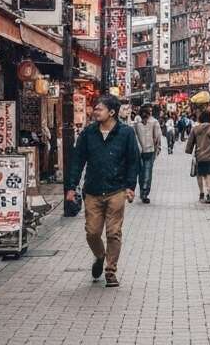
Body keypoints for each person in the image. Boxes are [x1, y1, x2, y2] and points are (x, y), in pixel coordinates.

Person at [64, 94, 140, 287]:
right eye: (95, 109)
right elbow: (77, 160)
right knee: (92, 232)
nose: (95, 111)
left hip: (116, 189)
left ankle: (110, 270)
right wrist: (71, 186)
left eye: (99, 109)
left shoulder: (126, 133)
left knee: (114, 232)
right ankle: (100, 256)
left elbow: (133, 161)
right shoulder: (88, 133)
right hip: (93, 190)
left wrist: (131, 187)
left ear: (112, 112)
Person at [186, 109, 210, 203]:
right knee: (209, 175)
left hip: (199, 156)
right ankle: (208, 193)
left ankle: (201, 192)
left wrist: (189, 150)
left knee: (199, 175)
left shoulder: (195, 129)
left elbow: (190, 142)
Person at [132, 105, 162, 204]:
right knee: (147, 171)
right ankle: (144, 193)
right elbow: (158, 136)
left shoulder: (135, 123)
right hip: (150, 150)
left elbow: (133, 136)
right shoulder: (154, 122)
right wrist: (158, 148)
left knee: (141, 172)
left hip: (138, 151)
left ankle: (142, 192)